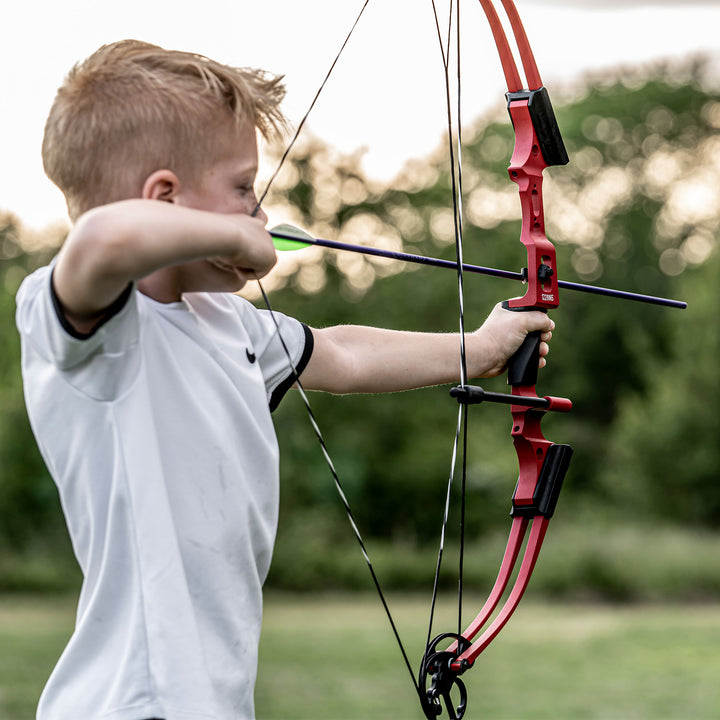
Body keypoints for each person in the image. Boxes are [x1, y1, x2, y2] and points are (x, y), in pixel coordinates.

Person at [15, 40, 555, 720]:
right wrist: (238, 240)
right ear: (165, 198)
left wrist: (478, 348)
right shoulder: (86, 330)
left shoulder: (227, 326)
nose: (260, 214)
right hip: (132, 703)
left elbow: (342, 354)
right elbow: (102, 241)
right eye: (245, 189)